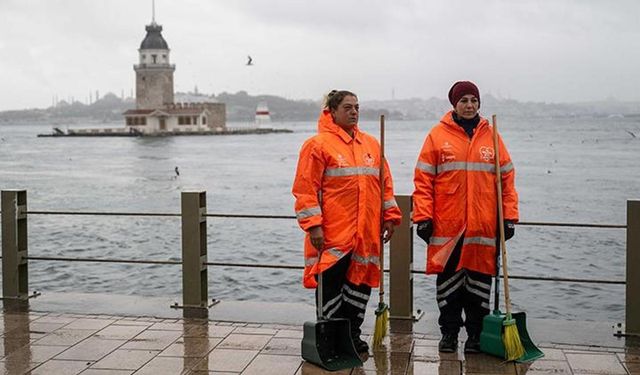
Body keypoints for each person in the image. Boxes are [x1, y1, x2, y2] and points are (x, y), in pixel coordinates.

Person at [412, 81, 519, 354]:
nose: (469, 105)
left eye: (473, 100)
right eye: (464, 101)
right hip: (447, 228)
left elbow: (507, 181)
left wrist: (509, 217)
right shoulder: (437, 136)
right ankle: (448, 334)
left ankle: (476, 336)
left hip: (484, 228)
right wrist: (423, 217)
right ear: (454, 105)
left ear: (479, 103)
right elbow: (423, 181)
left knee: (479, 287)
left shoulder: (493, 137)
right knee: (448, 286)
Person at [292, 90, 402, 353]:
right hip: (333, 234)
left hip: (365, 233)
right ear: (332, 111)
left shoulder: (372, 145)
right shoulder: (317, 145)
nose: (354, 112)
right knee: (331, 289)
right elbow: (305, 189)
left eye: (357, 107)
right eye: (348, 107)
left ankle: (352, 334)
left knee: (359, 287)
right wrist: (314, 226)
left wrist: (390, 216)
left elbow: (385, 184)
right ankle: (330, 337)